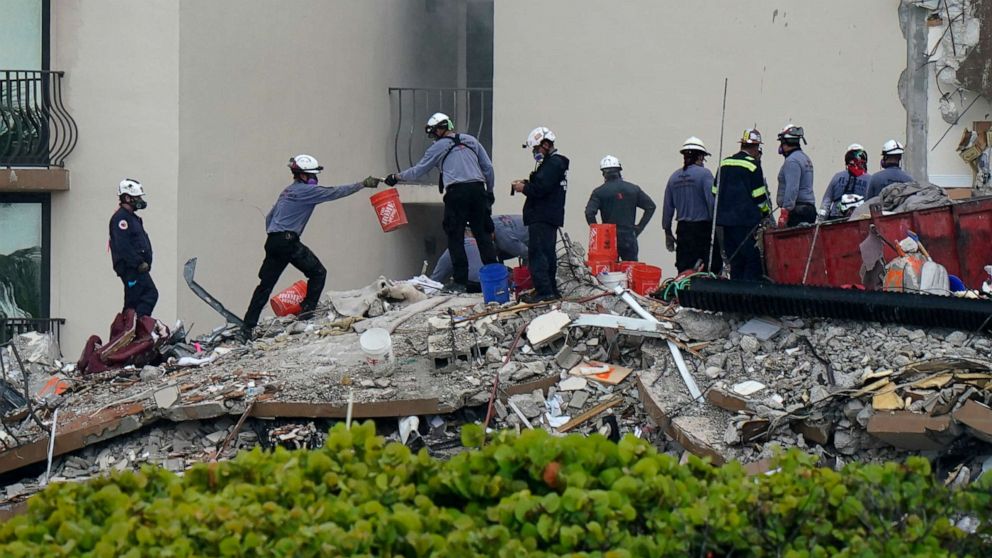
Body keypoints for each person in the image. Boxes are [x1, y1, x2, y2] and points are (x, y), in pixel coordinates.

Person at [242, 155, 379, 338]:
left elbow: (269, 217)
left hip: (273, 241)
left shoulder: (287, 191)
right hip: (288, 241)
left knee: (265, 286)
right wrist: (362, 184)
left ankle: (246, 328)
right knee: (318, 272)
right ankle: (307, 314)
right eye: (313, 175)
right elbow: (334, 192)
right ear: (303, 175)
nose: (315, 179)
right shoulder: (307, 191)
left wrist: (276, 234)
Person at [385, 112, 498, 293]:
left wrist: (396, 177)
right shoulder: (470, 140)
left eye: (433, 133)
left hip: (457, 193)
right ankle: (495, 281)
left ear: (439, 129)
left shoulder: (438, 147)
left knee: (455, 236)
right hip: (478, 191)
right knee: (483, 236)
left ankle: (460, 281)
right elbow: (488, 168)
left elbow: (419, 170)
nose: (433, 137)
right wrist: (490, 191)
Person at [512, 126, 569, 303]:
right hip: (548, 216)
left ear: (545, 144)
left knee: (539, 255)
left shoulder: (553, 164)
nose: (535, 152)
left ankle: (544, 291)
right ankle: (550, 290)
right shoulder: (554, 165)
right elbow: (545, 184)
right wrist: (528, 182)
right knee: (547, 254)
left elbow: (542, 189)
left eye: (536, 148)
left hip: (542, 216)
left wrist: (524, 188)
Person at [713, 129, 771, 281]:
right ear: (756, 147)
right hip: (745, 221)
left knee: (735, 260)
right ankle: (748, 295)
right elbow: (759, 196)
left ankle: (735, 294)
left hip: (725, 222)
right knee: (752, 260)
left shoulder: (724, 163)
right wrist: (765, 213)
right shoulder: (753, 166)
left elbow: (714, 191)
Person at [662, 137, 722, 273]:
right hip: (702, 230)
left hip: (682, 231)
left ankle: (684, 294)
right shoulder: (705, 174)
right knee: (708, 268)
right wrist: (718, 228)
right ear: (700, 156)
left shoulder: (673, 177)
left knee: (684, 269)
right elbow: (712, 203)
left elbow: (667, 208)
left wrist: (667, 232)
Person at [584, 155, 656, 261]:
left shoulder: (599, 192)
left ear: (603, 173)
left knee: (609, 272)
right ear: (619, 170)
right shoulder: (633, 189)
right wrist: (639, 227)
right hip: (629, 235)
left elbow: (589, 213)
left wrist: (600, 232)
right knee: (630, 270)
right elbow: (650, 206)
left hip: (608, 238)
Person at [430, 215, 529, 285]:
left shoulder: (505, 240)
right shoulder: (489, 222)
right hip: (493, 281)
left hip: (536, 237)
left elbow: (528, 254)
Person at [109, 178, 158, 317]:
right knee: (149, 295)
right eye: (137, 197)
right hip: (131, 269)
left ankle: (130, 329)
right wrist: (138, 262)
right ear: (127, 197)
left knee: (133, 302)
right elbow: (123, 245)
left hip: (138, 268)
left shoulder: (132, 218)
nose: (140, 200)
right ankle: (136, 329)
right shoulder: (121, 219)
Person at [775, 124, 816, 227]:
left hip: (798, 212)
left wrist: (784, 213)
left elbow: (792, 188)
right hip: (808, 210)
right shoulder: (804, 158)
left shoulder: (792, 161)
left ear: (785, 142)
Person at [820, 144, 871, 219]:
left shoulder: (837, 177)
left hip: (835, 220)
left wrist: (821, 221)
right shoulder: (870, 180)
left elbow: (826, 202)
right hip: (859, 219)